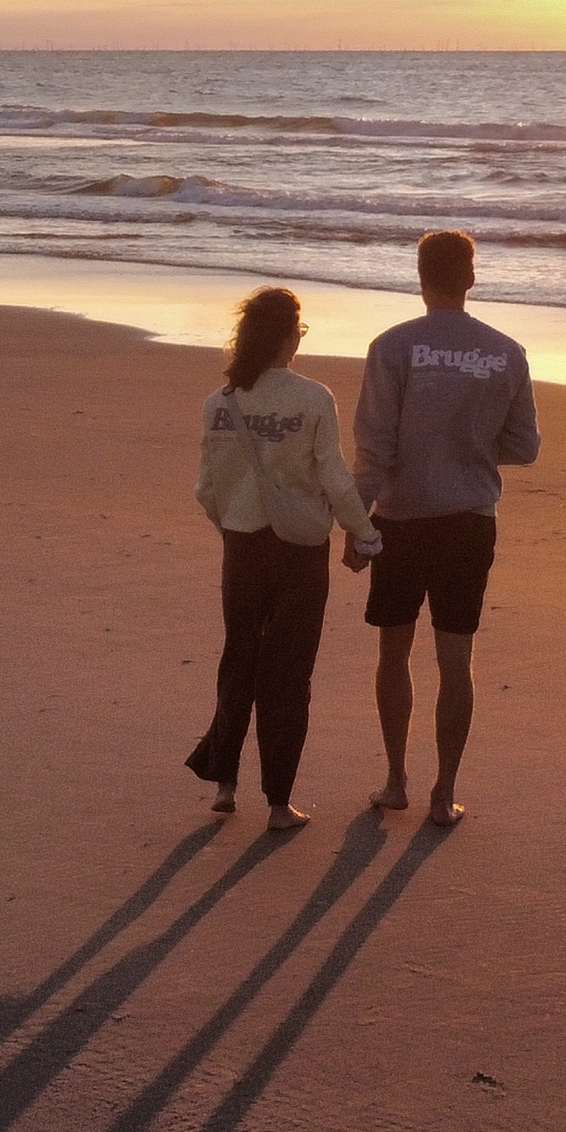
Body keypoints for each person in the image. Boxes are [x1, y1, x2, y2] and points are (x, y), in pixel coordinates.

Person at [353, 230, 539, 828]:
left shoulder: (392, 346)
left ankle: (395, 779)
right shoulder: (505, 351)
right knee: (456, 658)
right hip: (468, 521)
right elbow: (525, 446)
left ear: (420, 277)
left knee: (394, 652)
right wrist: (469, 447)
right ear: (472, 279)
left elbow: (374, 447)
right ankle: (444, 792)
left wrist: (357, 525)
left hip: (402, 520)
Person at [188, 287, 379, 832]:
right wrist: (365, 534)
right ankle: (278, 804)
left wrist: (230, 524)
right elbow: (335, 478)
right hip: (298, 551)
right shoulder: (313, 397)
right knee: (289, 674)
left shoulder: (220, 402)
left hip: (241, 546)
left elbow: (207, 487)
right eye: (300, 331)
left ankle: (225, 785)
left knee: (238, 659)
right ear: (288, 335)